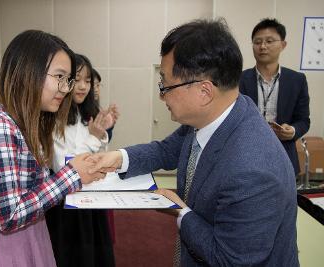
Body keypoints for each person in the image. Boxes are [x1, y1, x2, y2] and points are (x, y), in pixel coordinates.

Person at [88, 19, 299, 266]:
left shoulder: (252, 169)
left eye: (164, 85)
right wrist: (118, 158)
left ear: (204, 91)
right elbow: (166, 150)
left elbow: (229, 260)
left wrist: (180, 211)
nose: (161, 94)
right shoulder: (221, 113)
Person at [0, 30, 107, 267]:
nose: (65, 89)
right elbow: (9, 216)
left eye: (68, 80)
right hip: (0, 240)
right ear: (27, 72)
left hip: (28, 230)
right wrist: (72, 175)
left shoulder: (26, 122)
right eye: (59, 77)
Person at [46, 54, 115, 267]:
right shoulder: (54, 116)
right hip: (65, 201)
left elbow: (94, 159)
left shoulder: (86, 112)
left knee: (94, 253)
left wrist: (102, 133)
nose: (83, 86)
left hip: (90, 196)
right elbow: (65, 164)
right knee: (72, 255)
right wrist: (94, 138)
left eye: (88, 81)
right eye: (77, 79)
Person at [239, 18, 310, 176]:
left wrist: (292, 131)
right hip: (246, 156)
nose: (263, 46)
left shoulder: (297, 80)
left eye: (269, 41)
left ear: (283, 45)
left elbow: (304, 120)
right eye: (257, 42)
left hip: (284, 155)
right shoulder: (238, 79)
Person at [92, 68, 119, 143]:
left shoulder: (97, 109)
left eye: (97, 85)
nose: (96, 89)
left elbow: (105, 141)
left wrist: (109, 126)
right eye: (92, 85)